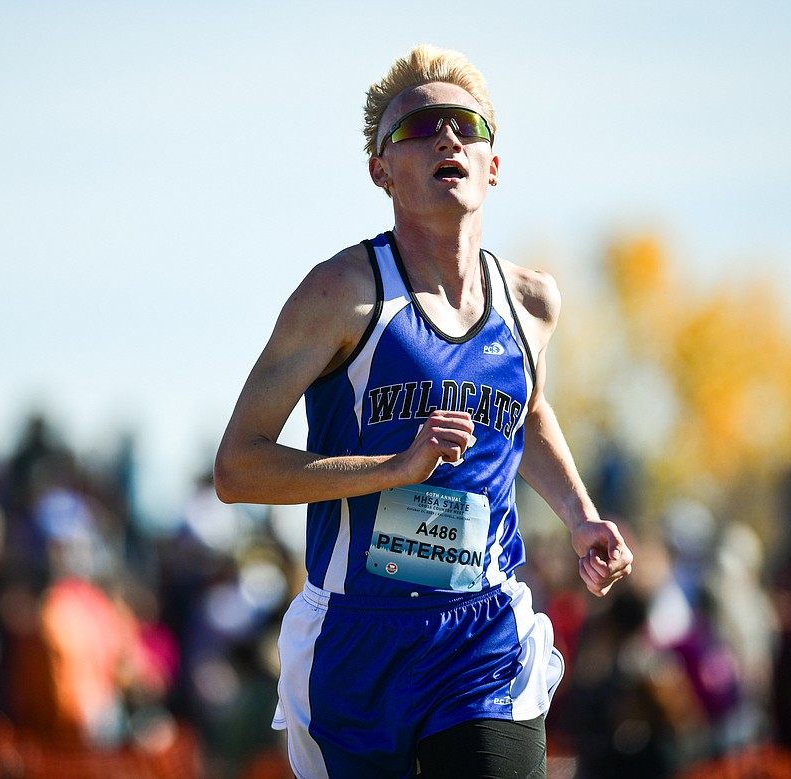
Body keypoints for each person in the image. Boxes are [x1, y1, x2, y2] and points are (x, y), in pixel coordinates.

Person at [214, 44, 633, 779]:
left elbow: (526, 413)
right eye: (419, 126)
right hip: (355, 639)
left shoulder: (530, 303)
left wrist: (580, 515)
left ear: (492, 163)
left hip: (481, 633)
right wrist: (396, 467)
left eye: (466, 124)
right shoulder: (341, 294)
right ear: (381, 170)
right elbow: (238, 466)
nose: (447, 136)